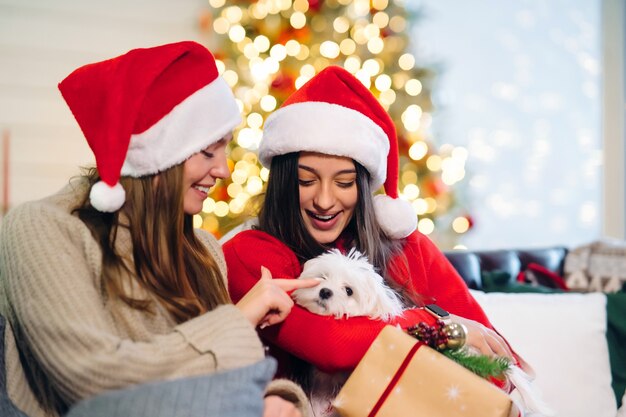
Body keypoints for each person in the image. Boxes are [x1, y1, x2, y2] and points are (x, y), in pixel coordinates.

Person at [0, 41, 320, 417]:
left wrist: (277, 400)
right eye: (207, 152)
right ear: (158, 157)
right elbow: (94, 382)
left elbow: (220, 375)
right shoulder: (41, 229)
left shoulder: (202, 249)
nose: (223, 171)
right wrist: (236, 320)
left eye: (225, 150)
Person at [223, 66, 526, 401]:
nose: (324, 200)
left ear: (364, 187)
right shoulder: (249, 254)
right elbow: (331, 344)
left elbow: (497, 364)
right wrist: (437, 326)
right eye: (305, 181)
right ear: (282, 183)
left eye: (344, 182)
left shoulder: (407, 249)